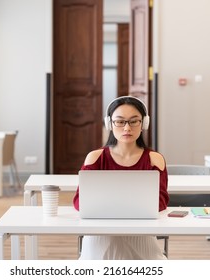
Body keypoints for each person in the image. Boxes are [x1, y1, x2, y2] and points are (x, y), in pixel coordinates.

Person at [72, 95, 169, 260]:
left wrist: (110, 205)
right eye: (120, 121)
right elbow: (80, 202)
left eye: (133, 121)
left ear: (144, 123)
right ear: (109, 123)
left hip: (141, 233)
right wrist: (131, 205)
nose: (127, 128)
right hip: (100, 234)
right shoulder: (95, 158)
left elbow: (160, 202)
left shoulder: (154, 159)